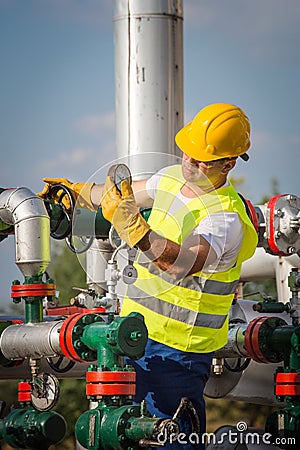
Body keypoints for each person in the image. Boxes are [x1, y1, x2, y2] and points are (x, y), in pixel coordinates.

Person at [39, 103, 258, 449]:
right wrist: (74, 194)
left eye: (201, 159)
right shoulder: (172, 177)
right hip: (134, 338)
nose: (189, 162)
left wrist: (134, 227)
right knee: (123, 434)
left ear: (228, 163)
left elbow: (181, 262)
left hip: (179, 355)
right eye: (187, 152)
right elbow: (114, 197)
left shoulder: (226, 218)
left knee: (168, 440)